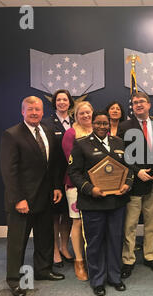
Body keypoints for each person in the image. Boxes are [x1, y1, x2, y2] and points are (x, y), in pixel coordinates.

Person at [0, 96, 65, 296]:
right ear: (23, 112)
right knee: (17, 242)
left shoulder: (46, 131)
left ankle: (43, 270)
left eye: (37, 109)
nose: (35, 112)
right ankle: (13, 280)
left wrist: (56, 187)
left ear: (42, 111)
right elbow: (8, 171)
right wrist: (18, 199)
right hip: (23, 200)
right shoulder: (12, 134)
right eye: (30, 109)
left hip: (45, 197)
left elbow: (52, 164)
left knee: (45, 237)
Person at [68, 111, 134, 296]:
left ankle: (114, 277)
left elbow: (129, 168)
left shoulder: (119, 143)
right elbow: (74, 173)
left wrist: (128, 184)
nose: (102, 126)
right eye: (98, 123)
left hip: (116, 202)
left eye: (105, 123)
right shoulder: (81, 144)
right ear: (92, 123)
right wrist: (90, 189)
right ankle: (97, 279)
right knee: (95, 242)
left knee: (115, 240)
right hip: (92, 203)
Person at [118, 92, 153, 278]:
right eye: (134, 102)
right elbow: (122, 155)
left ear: (148, 104)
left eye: (141, 102)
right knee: (130, 225)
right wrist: (137, 171)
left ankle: (150, 256)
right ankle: (128, 259)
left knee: (152, 224)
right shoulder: (124, 126)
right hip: (134, 183)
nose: (138, 105)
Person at [41, 89, 75, 268]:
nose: (62, 102)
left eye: (65, 99)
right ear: (55, 103)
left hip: (72, 176)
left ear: (70, 102)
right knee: (55, 215)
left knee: (69, 214)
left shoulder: (75, 122)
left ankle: (64, 246)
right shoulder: (46, 123)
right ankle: (54, 249)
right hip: (54, 176)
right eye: (59, 100)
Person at [61, 101, 94, 281]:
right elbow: (71, 161)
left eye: (88, 112)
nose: (85, 116)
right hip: (75, 185)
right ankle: (79, 261)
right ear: (76, 115)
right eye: (81, 113)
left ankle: (93, 259)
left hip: (97, 186)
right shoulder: (71, 133)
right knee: (78, 223)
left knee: (93, 221)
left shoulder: (97, 131)